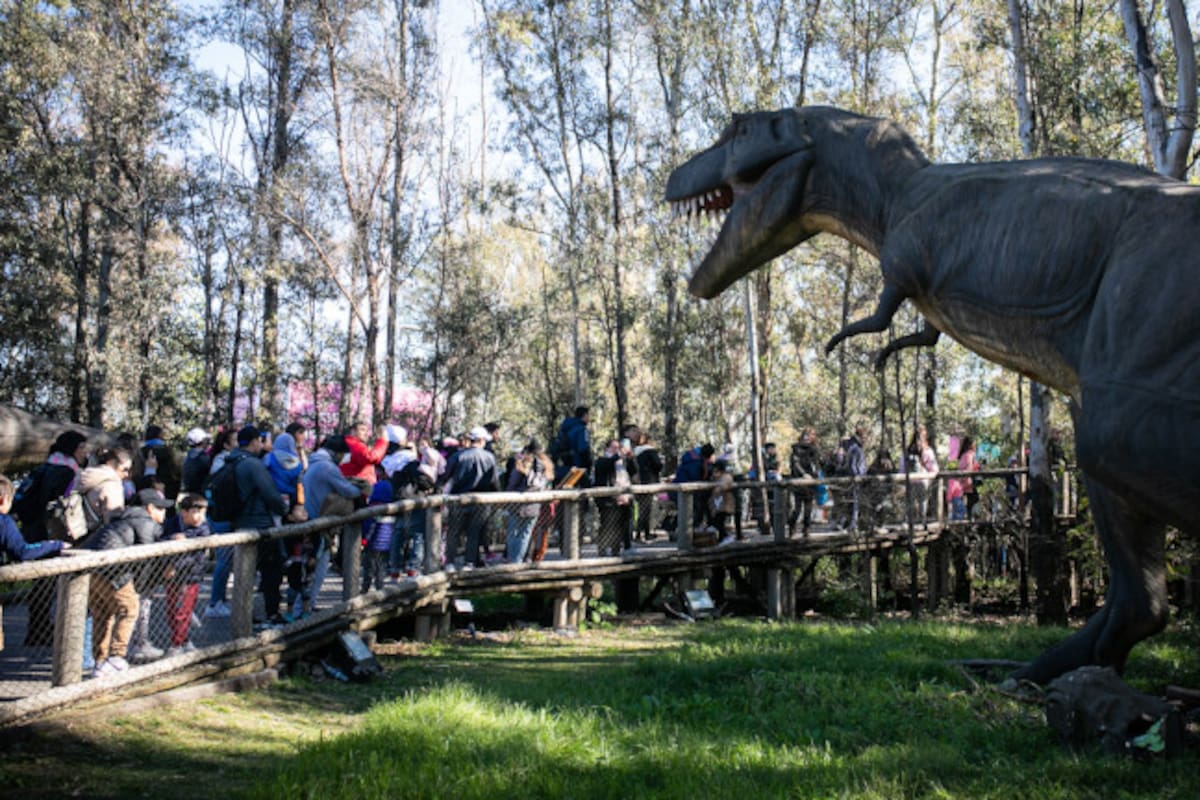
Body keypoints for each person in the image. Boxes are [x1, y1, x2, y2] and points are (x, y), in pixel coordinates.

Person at [85, 488, 174, 676]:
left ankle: (100, 661)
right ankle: (117, 656)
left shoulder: (121, 518)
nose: (164, 513)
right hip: (115, 571)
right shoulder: (146, 523)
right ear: (150, 508)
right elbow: (146, 562)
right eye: (161, 508)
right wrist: (140, 589)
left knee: (102, 614)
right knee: (129, 609)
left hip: (92, 570)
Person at [13, 430, 88, 646]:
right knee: (47, 583)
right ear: (73, 449)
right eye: (82, 448)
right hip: (49, 532)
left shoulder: (46, 466)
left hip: (32, 529)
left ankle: (38, 628)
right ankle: (41, 630)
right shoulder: (64, 471)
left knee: (41, 581)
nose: (85, 453)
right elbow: (59, 505)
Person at [230, 425, 290, 625]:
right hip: (259, 524)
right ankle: (270, 613)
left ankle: (243, 614)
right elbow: (270, 494)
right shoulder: (253, 465)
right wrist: (284, 509)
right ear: (255, 441)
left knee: (246, 572)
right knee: (272, 570)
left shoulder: (231, 460)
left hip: (239, 521)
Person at [302, 435, 365, 611]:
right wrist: (361, 487)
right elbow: (348, 490)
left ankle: (307, 606)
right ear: (338, 453)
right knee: (317, 568)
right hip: (322, 520)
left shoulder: (314, 463)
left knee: (312, 566)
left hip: (312, 516)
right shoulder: (328, 467)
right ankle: (307, 607)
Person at [160, 494, 211, 655]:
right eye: (196, 512)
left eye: (203, 512)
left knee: (183, 610)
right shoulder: (172, 524)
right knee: (171, 609)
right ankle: (183, 639)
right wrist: (172, 540)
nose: (200, 517)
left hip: (190, 575)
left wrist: (185, 539)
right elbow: (161, 539)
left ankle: (177, 643)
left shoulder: (202, 529)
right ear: (184, 512)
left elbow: (195, 554)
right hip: (172, 575)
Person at [442, 426, 499, 570]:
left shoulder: (458, 456)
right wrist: (498, 495)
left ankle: (450, 562)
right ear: (480, 440)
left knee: (453, 532)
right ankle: (469, 562)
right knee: (474, 532)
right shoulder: (489, 457)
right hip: (481, 501)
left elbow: (446, 476)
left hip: (458, 499)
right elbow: (494, 481)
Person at [504, 440, 553, 563]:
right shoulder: (545, 467)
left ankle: (514, 560)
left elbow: (512, 484)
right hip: (534, 505)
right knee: (525, 534)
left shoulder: (522, 465)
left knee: (513, 533)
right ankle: (519, 559)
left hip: (517, 505)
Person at [0, 474, 68, 563]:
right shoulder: (4, 522)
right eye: (10, 501)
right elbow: (22, 551)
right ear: (2, 501)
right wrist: (56, 545)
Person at [593, 438, 638, 555]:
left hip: (626, 495)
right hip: (608, 498)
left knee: (623, 523)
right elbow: (605, 467)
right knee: (607, 523)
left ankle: (617, 549)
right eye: (613, 447)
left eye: (618, 447)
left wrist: (631, 458)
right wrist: (617, 455)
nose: (616, 450)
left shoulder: (623, 461)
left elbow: (634, 471)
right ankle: (602, 549)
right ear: (607, 448)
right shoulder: (602, 460)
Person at [78, 447, 132, 531]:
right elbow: (113, 520)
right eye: (125, 469)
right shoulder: (112, 486)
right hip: (94, 536)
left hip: (75, 529)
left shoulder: (85, 476)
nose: (127, 474)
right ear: (112, 462)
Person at [360, 481, 396, 593]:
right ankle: (380, 587)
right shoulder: (392, 510)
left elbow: (368, 528)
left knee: (369, 566)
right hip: (386, 544)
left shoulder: (372, 511)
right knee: (381, 567)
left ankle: (365, 587)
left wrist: (364, 540)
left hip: (372, 543)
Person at [788, 427, 822, 536]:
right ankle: (792, 526)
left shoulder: (815, 450)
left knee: (808, 509)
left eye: (810, 435)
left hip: (810, 483)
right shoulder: (796, 449)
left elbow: (817, 465)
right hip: (799, 481)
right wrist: (804, 474)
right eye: (806, 435)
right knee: (797, 509)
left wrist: (816, 475)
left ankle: (806, 529)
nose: (807, 437)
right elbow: (795, 464)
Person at [135, 424, 181, 501]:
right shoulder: (170, 453)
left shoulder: (139, 453)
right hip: (168, 491)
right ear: (160, 435)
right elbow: (177, 474)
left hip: (144, 493)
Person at [905, 425, 939, 525]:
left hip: (911, 482)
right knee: (922, 504)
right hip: (922, 481)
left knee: (911, 504)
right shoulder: (927, 451)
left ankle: (910, 523)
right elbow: (934, 468)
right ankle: (921, 523)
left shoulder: (908, 451)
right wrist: (930, 478)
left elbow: (902, 467)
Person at [633, 432, 664, 541]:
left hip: (638, 482)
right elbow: (658, 465)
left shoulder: (635, 452)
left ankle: (644, 533)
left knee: (643, 507)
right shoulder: (650, 451)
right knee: (646, 508)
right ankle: (639, 533)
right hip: (649, 481)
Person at [554, 406, 593, 485]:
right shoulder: (582, 429)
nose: (589, 418)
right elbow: (583, 449)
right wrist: (589, 464)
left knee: (567, 490)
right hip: (578, 468)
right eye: (588, 415)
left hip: (565, 466)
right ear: (584, 415)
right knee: (583, 492)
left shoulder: (565, 428)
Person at [341, 421, 388, 485]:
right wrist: (383, 441)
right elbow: (370, 458)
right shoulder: (354, 444)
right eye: (362, 430)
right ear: (353, 431)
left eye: (367, 431)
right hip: (359, 485)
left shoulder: (347, 443)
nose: (366, 434)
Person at [710, 460, 737, 544]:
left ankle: (725, 537)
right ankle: (723, 538)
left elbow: (723, 486)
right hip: (719, 503)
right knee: (718, 521)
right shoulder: (717, 477)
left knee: (720, 521)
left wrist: (718, 489)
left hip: (725, 503)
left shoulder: (726, 477)